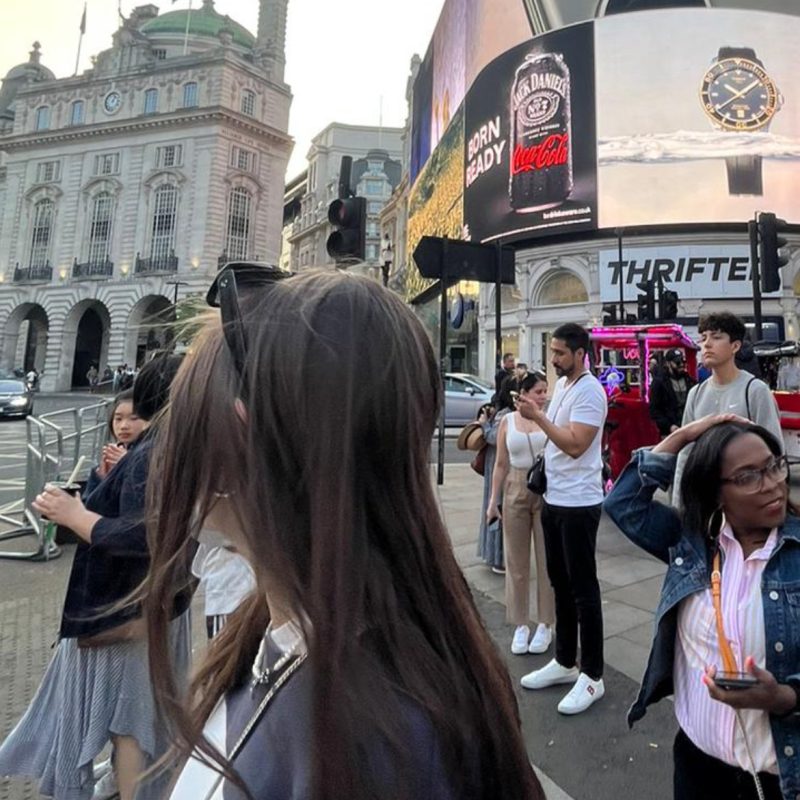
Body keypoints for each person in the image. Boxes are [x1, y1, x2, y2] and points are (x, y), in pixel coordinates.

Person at [144, 268, 544, 800]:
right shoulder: (281, 628)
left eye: (181, 419)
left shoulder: (376, 746)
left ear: (242, 441)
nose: (164, 448)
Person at [0, 355, 192, 800]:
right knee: (131, 718)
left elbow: (147, 532)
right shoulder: (164, 447)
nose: (123, 424)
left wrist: (75, 514)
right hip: (144, 609)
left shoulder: (155, 451)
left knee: (128, 721)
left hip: (124, 612)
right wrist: (101, 483)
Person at [605, 416, 799, 800]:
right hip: (698, 767)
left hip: (780, 779)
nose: (773, 484)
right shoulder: (693, 545)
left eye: (774, 466)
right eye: (748, 476)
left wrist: (782, 699)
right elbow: (623, 503)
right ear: (714, 493)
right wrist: (683, 435)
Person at [515, 323, 608, 715]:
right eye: (552, 352)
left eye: (560, 353)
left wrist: (537, 417)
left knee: (583, 588)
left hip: (579, 503)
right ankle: (565, 660)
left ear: (580, 353)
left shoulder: (590, 390)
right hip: (555, 498)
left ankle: (593, 675)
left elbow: (574, 445)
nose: (553, 359)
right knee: (560, 583)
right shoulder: (566, 387)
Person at [673, 312, 782, 508]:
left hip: (747, 502)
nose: (706, 344)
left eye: (716, 337)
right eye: (703, 337)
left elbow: (774, 451)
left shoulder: (755, 390)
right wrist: (679, 504)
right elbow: (685, 453)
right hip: (705, 502)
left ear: (735, 346)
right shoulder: (696, 393)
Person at [487, 371, 555, 656]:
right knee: (516, 561)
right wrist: (493, 501)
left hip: (544, 487)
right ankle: (520, 624)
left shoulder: (548, 418)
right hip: (515, 486)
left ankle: (545, 623)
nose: (543, 396)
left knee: (546, 561)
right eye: (539, 391)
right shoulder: (507, 422)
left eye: (545, 391)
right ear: (524, 393)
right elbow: (500, 464)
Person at [476, 380, 517, 574]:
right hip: (498, 465)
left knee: (495, 508)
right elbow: (494, 437)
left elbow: (492, 437)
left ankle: (495, 554)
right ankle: (498, 556)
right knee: (498, 509)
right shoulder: (507, 415)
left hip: (496, 465)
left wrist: (485, 425)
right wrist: (486, 426)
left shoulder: (503, 413)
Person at [649, 349, 695, 438]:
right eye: (677, 362)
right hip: (669, 433)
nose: (681, 365)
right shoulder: (659, 383)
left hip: (689, 429)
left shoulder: (690, 381)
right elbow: (654, 410)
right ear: (668, 364)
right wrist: (670, 426)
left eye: (683, 361)